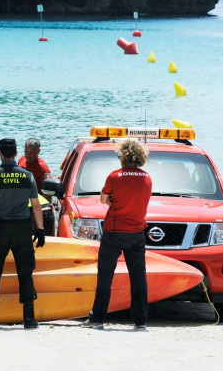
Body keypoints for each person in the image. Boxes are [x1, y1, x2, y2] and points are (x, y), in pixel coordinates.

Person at [81, 139, 152, 330]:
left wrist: (113, 201)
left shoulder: (114, 176)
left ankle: (97, 319)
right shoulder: (147, 178)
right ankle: (140, 321)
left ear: (123, 156)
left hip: (114, 231)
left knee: (105, 275)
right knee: (138, 276)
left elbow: (104, 199)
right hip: (137, 232)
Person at [0, 138, 45, 329]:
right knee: (25, 271)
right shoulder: (27, 176)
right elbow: (36, 206)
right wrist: (40, 230)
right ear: (17, 154)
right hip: (22, 229)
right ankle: (29, 318)